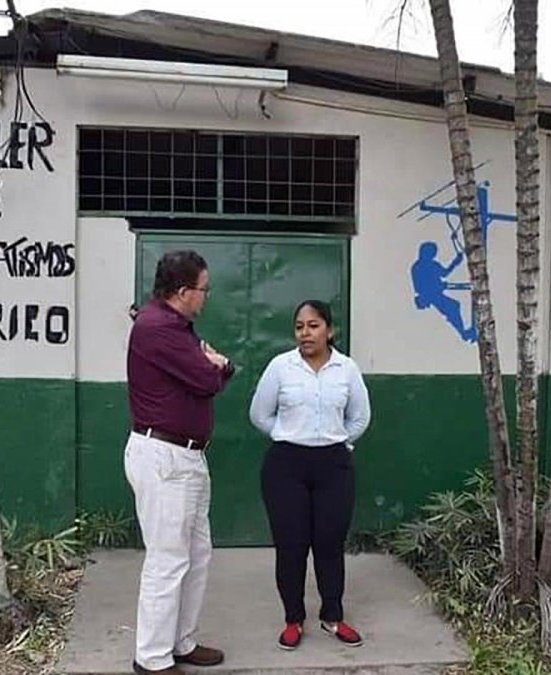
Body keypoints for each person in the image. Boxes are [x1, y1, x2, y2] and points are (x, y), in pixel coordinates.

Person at [125, 250, 235, 675]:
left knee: (195, 554)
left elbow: (202, 374)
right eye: (204, 290)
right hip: (165, 458)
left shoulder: (175, 326)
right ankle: (152, 658)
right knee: (167, 559)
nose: (206, 297)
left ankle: (180, 642)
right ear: (184, 291)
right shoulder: (158, 329)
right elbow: (207, 379)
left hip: (184, 456)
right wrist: (220, 365)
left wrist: (212, 366)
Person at [248, 300, 372, 651]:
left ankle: (332, 616)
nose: (306, 333)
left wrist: (336, 442)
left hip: (334, 466)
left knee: (330, 544)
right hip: (286, 466)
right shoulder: (280, 367)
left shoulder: (346, 369)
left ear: (329, 330)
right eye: (300, 326)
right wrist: (289, 436)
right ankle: (293, 619)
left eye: (314, 325)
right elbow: (260, 413)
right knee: (291, 546)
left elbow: (360, 417)